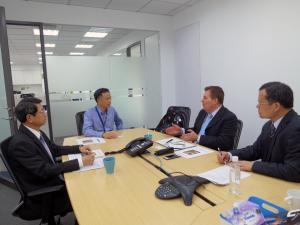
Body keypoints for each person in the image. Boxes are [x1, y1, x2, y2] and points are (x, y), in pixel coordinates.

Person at [8, 97, 95, 223]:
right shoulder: (21, 143)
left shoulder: (34, 132)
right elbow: (44, 170)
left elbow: (54, 149)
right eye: (42, 111)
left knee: (87, 181)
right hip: (44, 193)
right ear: (29, 118)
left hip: (51, 181)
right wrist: (81, 162)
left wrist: (79, 149)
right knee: (88, 192)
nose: (45, 113)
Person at [218, 82, 300, 182]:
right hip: (267, 181)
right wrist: (230, 155)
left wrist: (254, 166)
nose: (257, 106)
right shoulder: (269, 125)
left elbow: (293, 171)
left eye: (260, 102)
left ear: (276, 106)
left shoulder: (296, 127)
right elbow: (255, 150)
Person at [165, 86, 238, 150]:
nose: (202, 100)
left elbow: (224, 142)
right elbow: (196, 130)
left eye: (205, 98)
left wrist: (198, 138)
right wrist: (181, 131)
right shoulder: (203, 112)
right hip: (194, 148)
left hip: (212, 154)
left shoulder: (229, 117)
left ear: (215, 100)